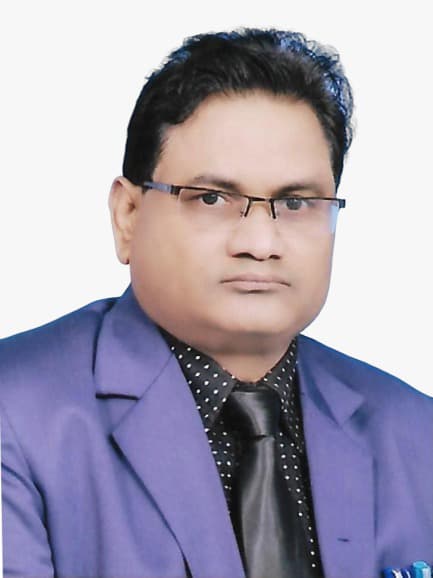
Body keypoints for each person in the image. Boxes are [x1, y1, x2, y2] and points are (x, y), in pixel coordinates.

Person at [0, 28, 432, 578]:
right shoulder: (15, 415)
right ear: (128, 215)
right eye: (211, 198)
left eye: (295, 203)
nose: (260, 242)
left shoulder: (415, 431)